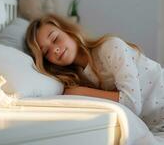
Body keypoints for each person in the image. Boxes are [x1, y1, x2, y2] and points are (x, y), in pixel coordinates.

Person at [25, 14, 164, 131]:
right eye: (46, 52)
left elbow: (132, 104)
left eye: (55, 39)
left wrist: (79, 92)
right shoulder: (79, 77)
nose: (54, 49)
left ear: (68, 31)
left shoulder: (110, 47)